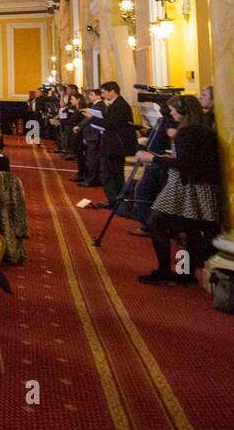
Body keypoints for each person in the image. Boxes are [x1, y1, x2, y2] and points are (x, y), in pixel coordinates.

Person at [135, 95, 224, 285]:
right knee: (188, 231)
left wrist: (153, 159)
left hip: (184, 187)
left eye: (174, 110)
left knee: (156, 222)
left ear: (184, 112)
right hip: (199, 186)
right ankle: (185, 274)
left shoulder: (186, 133)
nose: (172, 113)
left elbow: (184, 163)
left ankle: (165, 271)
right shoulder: (202, 130)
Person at [87, 81, 136, 209]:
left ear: (112, 91)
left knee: (111, 174)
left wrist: (92, 118)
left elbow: (110, 124)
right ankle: (114, 200)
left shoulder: (120, 105)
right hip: (111, 144)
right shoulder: (115, 104)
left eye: (104, 92)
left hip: (115, 146)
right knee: (110, 174)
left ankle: (116, 202)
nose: (102, 95)